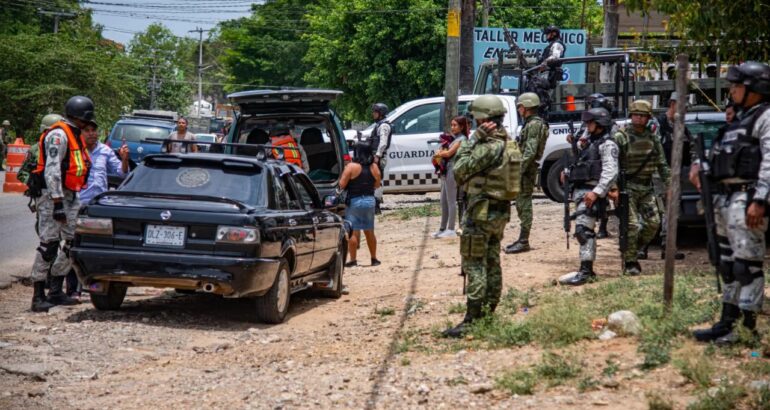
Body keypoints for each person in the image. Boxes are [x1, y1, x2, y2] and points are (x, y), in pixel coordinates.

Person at [690, 61, 770, 345]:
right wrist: (699, 166)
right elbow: (717, 153)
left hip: (747, 199)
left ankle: (747, 328)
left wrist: (761, 199)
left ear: (754, 89)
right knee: (726, 263)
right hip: (724, 200)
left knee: (746, 265)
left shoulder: (765, 117)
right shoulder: (738, 120)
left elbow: (769, 162)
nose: (732, 91)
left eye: (737, 86)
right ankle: (727, 321)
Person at [443, 95, 520, 338]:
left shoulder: (488, 146)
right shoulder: (509, 143)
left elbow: (459, 169)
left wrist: (472, 140)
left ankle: (473, 318)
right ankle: (489, 312)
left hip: (481, 212)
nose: (474, 124)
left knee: (475, 262)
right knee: (492, 259)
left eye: (476, 120)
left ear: (484, 120)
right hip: (499, 211)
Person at [27, 96, 94, 312]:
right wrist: (57, 202)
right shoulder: (58, 135)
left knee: (74, 242)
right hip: (52, 195)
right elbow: (52, 170)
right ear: (80, 116)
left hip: (70, 195)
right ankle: (38, 295)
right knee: (49, 244)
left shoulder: (74, 133)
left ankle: (56, 290)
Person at [557, 108, 619, 286]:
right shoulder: (588, 143)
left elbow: (610, 172)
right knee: (583, 230)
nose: (587, 125)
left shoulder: (607, 145)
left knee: (583, 231)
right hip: (581, 192)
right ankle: (586, 270)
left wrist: (597, 192)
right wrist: (567, 172)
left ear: (599, 124)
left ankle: (586, 271)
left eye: (590, 122)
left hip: (592, 193)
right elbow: (582, 164)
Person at [614, 100, 671, 276]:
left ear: (648, 118)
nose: (639, 118)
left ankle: (630, 249)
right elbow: (612, 165)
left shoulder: (653, 138)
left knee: (653, 224)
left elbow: (662, 164)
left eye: (643, 116)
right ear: (631, 116)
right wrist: (614, 188)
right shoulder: (621, 137)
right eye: (636, 115)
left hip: (646, 187)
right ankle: (631, 262)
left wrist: (669, 185)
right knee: (632, 225)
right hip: (628, 187)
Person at [639, 92, 690, 260]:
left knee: (671, 211)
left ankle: (668, 248)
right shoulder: (657, 124)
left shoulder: (682, 127)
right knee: (651, 210)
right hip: (655, 174)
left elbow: (687, 152)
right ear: (672, 104)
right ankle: (642, 247)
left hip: (673, 175)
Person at [505, 93, 549, 253]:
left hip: (526, 170)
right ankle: (522, 239)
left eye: (520, 106)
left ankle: (524, 241)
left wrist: (519, 170)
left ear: (526, 107)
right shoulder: (530, 124)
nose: (518, 109)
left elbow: (530, 151)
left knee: (524, 204)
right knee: (521, 203)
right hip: (525, 168)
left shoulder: (534, 125)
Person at [339, 142, 381, 267]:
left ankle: (353, 260)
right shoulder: (374, 167)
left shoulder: (351, 167)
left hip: (355, 201)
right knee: (369, 231)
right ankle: (374, 259)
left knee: (353, 231)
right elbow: (377, 185)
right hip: (370, 201)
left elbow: (341, 184)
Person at [432, 116, 470, 239]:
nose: (452, 127)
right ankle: (442, 228)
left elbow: (449, 153)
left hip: (453, 170)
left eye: (455, 125)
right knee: (443, 200)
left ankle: (451, 229)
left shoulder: (461, 139)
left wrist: (439, 153)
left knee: (451, 200)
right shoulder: (453, 139)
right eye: (452, 125)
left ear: (462, 127)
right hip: (446, 170)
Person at [370, 103, 392, 213]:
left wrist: (377, 155)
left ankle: (376, 205)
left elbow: (383, 143)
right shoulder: (379, 124)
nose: (373, 114)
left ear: (381, 113)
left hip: (379, 156)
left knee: (377, 180)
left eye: (375, 112)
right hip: (376, 155)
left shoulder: (384, 126)